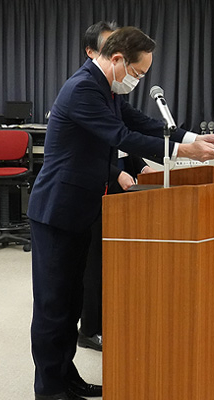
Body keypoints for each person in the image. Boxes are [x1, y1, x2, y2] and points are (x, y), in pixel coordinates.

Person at [27, 26, 214, 400]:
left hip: (82, 206)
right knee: (53, 306)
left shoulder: (106, 87)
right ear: (117, 59)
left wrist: (190, 138)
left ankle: (65, 376)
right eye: (138, 73)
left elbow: (140, 122)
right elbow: (121, 136)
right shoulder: (83, 87)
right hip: (57, 209)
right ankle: (49, 390)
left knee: (71, 304)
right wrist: (184, 154)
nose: (138, 80)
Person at [77, 21, 158, 352]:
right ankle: (89, 327)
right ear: (98, 53)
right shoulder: (84, 90)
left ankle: (103, 319)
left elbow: (134, 131)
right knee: (91, 264)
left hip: (112, 179)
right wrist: (116, 174)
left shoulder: (111, 92)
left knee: (109, 260)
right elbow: (96, 147)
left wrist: (141, 163)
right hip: (90, 187)